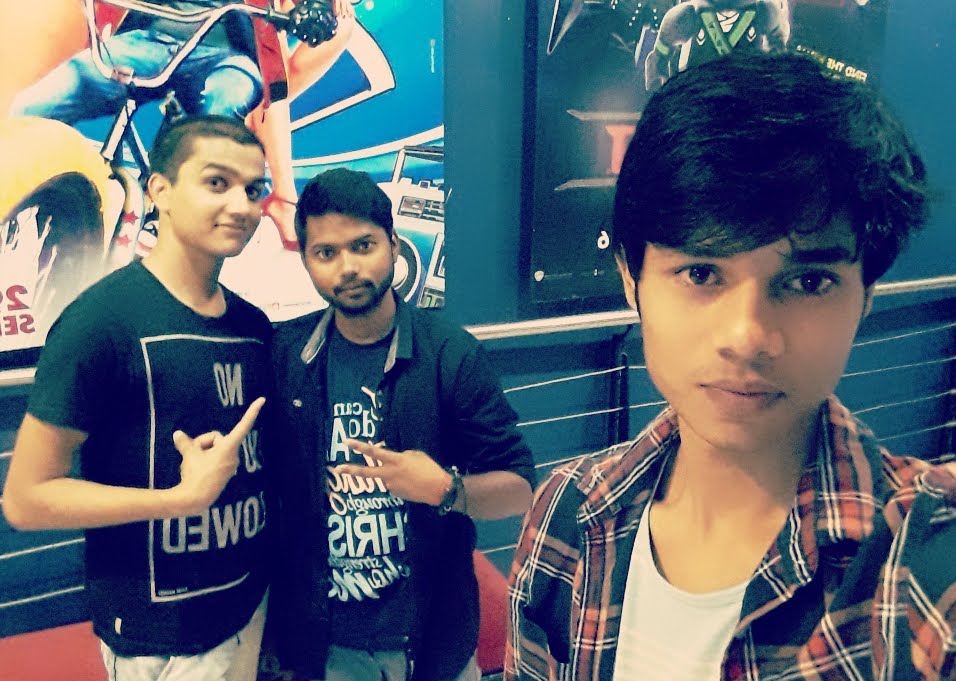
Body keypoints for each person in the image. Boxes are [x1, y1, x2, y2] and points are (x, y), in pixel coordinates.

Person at [506, 52, 956, 680]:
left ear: (865, 297)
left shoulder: (922, 564)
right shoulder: (565, 517)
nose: (747, 337)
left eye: (808, 281)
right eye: (701, 273)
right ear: (632, 281)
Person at [3, 115, 274, 681]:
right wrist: (178, 499)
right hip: (158, 641)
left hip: (246, 609)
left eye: (254, 190)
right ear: (160, 191)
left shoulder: (253, 326)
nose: (241, 206)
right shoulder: (100, 320)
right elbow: (26, 500)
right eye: (217, 182)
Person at [268, 168, 536, 681]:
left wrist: (446, 490)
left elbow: (519, 489)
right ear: (306, 261)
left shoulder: (450, 353)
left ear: (393, 244)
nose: (348, 267)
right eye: (326, 253)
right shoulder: (287, 356)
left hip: (432, 639)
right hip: (326, 646)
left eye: (363, 245)